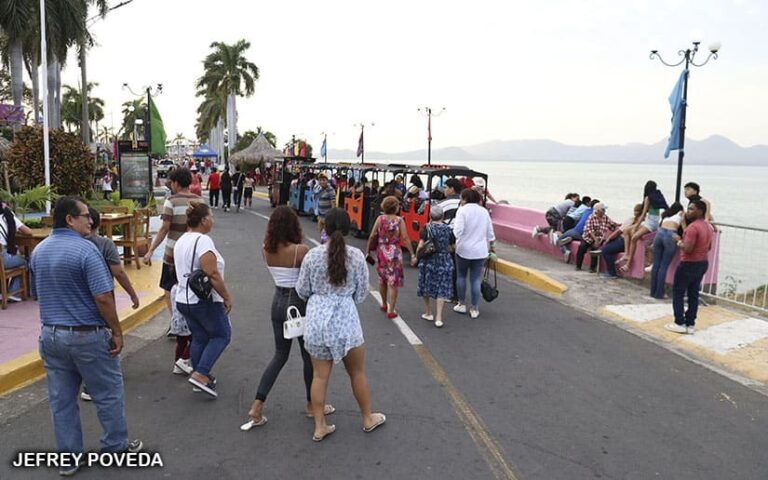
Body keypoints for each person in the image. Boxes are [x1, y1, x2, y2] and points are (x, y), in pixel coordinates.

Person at [30, 197, 142, 474]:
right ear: (70, 219)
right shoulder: (87, 251)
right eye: (85, 216)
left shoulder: (39, 251)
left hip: (51, 335)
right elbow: (103, 297)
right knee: (108, 394)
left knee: (62, 401)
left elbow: (36, 293)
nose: (91, 220)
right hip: (86, 335)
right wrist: (117, 331)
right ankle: (115, 447)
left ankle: (69, 458)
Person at [296, 208, 386, 441]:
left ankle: (319, 426)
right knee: (356, 372)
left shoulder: (312, 256)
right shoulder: (356, 256)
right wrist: (344, 299)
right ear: (347, 228)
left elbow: (302, 290)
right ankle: (367, 418)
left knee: (319, 376)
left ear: (324, 227)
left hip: (316, 320)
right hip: (346, 320)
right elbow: (362, 292)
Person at [241, 207, 335, 431]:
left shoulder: (266, 250)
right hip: (298, 305)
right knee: (307, 356)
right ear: (294, 226)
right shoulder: (300, 251)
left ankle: (257, 405)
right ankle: (312, 405)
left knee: (280, 355)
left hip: (278, 303)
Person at [174, 202, 233, 397]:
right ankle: (201, 374)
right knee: (222, 335)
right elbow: (212, 273)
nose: (213, 221)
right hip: (202, 299)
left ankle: (198, 376)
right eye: (211, 217)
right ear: (203, 220)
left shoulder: (182, 239)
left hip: (183, 299)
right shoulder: (203, 240)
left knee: (200, 337)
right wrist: (226, 296)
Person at [143, 167, 201, 316]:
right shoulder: (199, 201)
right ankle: (190, 320)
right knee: (191, 285)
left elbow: (164, 229)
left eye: (171, 182)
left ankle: (175, 319)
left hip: (172, 254)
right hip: (194, 252)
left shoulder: (171, 201)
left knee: (169, 287)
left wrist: (151, 250)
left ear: (176, 183)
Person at [665, 200, 713, 335]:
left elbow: (688, 248)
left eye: (691, 209)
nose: (688, 211)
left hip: (689, 263)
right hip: (702, 263)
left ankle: (679, 322)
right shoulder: (707, 227)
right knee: (693, 294)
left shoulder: (693, 228)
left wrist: (678, 241)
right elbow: (708, 247)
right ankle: (690, 323)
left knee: (678, 292)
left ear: (700, 211)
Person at [368, 196, 415, 319]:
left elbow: (373, 235)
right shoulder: (399, 220)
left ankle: (383, 303)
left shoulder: (380, 218)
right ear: (395, 207)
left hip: (381, 251)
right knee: (393, 281)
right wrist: (412, 253)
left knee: (382, 279)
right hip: (394, 252)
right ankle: (391, 309)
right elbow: (405, 238)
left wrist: (368, 250)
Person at [453, 188, 496, 318]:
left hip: (463, 250)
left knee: (461, 277)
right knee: (475, 279)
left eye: (461, 198)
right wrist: (492, 246)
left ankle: (461, 304)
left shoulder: (462, 211)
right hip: (480, 251)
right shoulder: (484, 212)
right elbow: (490, 233)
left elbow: (457, 232)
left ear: (465, 198)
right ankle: (475, 308)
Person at [415, 205, 456, 328]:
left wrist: (416, 256)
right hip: (444, 261)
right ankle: (439, 317)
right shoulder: (448, 230)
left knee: (426, 285)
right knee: (441, 288)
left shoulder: (426, 229)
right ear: (442, 216)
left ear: (430, 216)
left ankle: (428, 312)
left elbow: (421, 246)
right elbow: (454, 248)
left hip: (429, 261)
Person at [619, 181, 668, 272]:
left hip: (650, 223)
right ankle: (627, 253)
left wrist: (636, 226)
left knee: (634, 237)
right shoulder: (658, 196)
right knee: (626, 230)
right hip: (654, 221)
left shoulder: (648, 198)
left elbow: (643, 214)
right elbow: (665, 208)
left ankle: (628, 264)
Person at [649, 202, 684, 299]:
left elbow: (659, 226)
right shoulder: (680, 214)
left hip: (659, 234)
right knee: (664, 266)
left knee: (656, 265)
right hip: (670, 235)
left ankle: (652, 291)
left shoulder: (666, 215)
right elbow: (684, 229)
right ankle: (659, 293)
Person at [1, 200, 32, 302]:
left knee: (18, 258)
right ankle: (16, 293)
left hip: (3, 258)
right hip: (3, 259)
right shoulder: (7, 215)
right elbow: (28, 232)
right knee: (27, 261)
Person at [600, 204, 643, 278]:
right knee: (608, 247)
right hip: (628, 243)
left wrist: (609, 238)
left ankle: (611, 273)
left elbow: (619, 231)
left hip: (623, 241)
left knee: (605, 250)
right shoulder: (644, 222)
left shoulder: (632, 219)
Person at [574, 203, 618, 272]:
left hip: (599, 238)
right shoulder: (591, 217)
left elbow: (613, 224)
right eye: (603, 210)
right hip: (588, 237)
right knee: (582, 247)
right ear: (598, 210)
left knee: (594, 248)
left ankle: (592, 268)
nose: (604, 211)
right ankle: (578, 265)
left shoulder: (605, 218)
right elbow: (589, 230)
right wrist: (595, 240)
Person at [558, 198, 598, 263]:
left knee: (560, 239)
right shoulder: (595, 215)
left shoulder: (587, 210)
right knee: (578, 237)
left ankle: (566, 250)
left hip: (576, 230)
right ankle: (572, 238)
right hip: (582, 234)